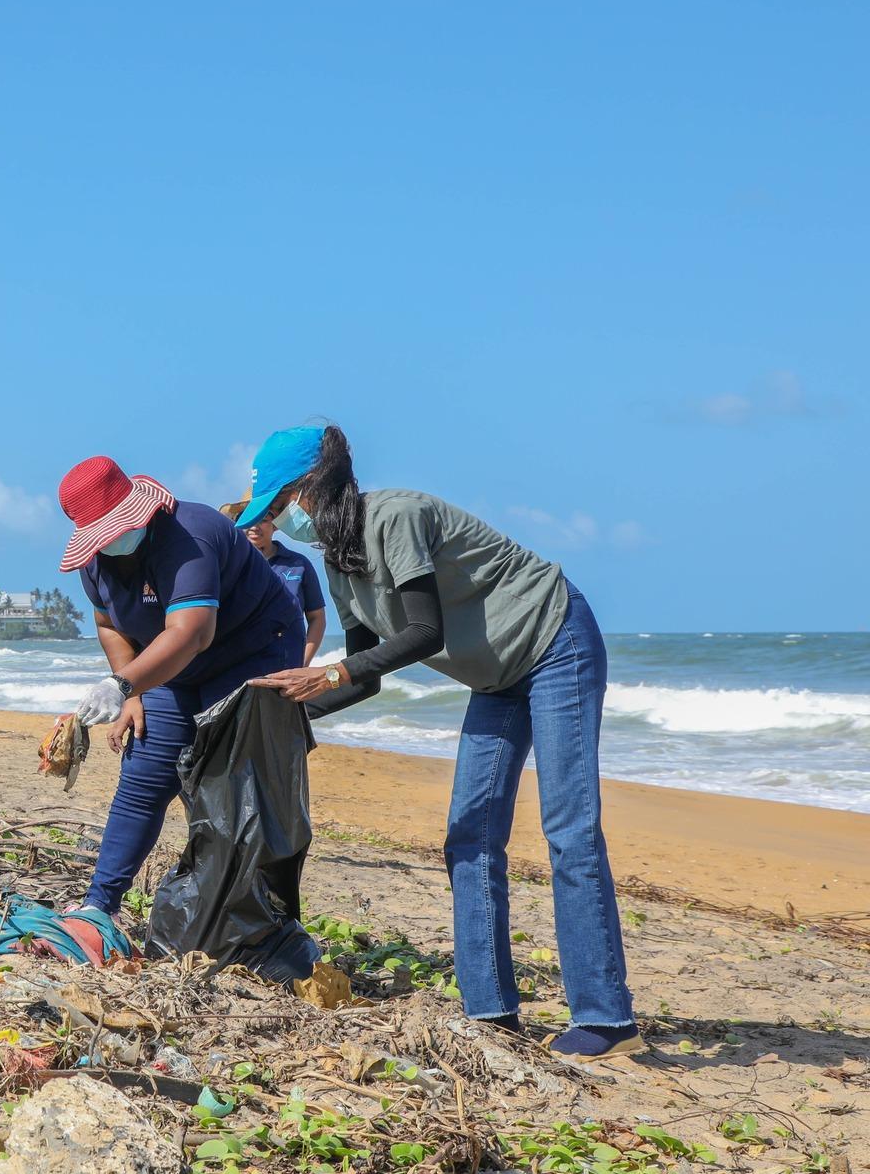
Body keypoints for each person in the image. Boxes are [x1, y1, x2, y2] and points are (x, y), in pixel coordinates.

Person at [240, 425, 640, 1062]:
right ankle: (491, 1013)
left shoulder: (396, 516)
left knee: (569, 829)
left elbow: (424, 633)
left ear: (310, 487)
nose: (284, 523)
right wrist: (287, 714)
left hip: (554, 639)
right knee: (469, 834)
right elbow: (367, 669)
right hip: (496, 676)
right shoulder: (337, 562)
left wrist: (330, 672)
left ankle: (606, 1018)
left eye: (283, 504)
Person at [58, 457, 304, 925]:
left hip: (252, 650)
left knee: (230, 787)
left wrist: (125, 681)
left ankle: (257, 920)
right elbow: (109, 623)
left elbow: (192, 634)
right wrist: (130, 693)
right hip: (171, 665)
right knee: (145, 776)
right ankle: (98, 905)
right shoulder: (96, 564)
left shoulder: (189, 535)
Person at [222, 499, 327, 664]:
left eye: (263, 520)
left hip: (285, 664)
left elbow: (317, 617)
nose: (254, 526)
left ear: (276, 524)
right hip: (236, 665)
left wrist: (302, 663)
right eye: (248, 519)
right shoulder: (227, 565)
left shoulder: (299, 564)